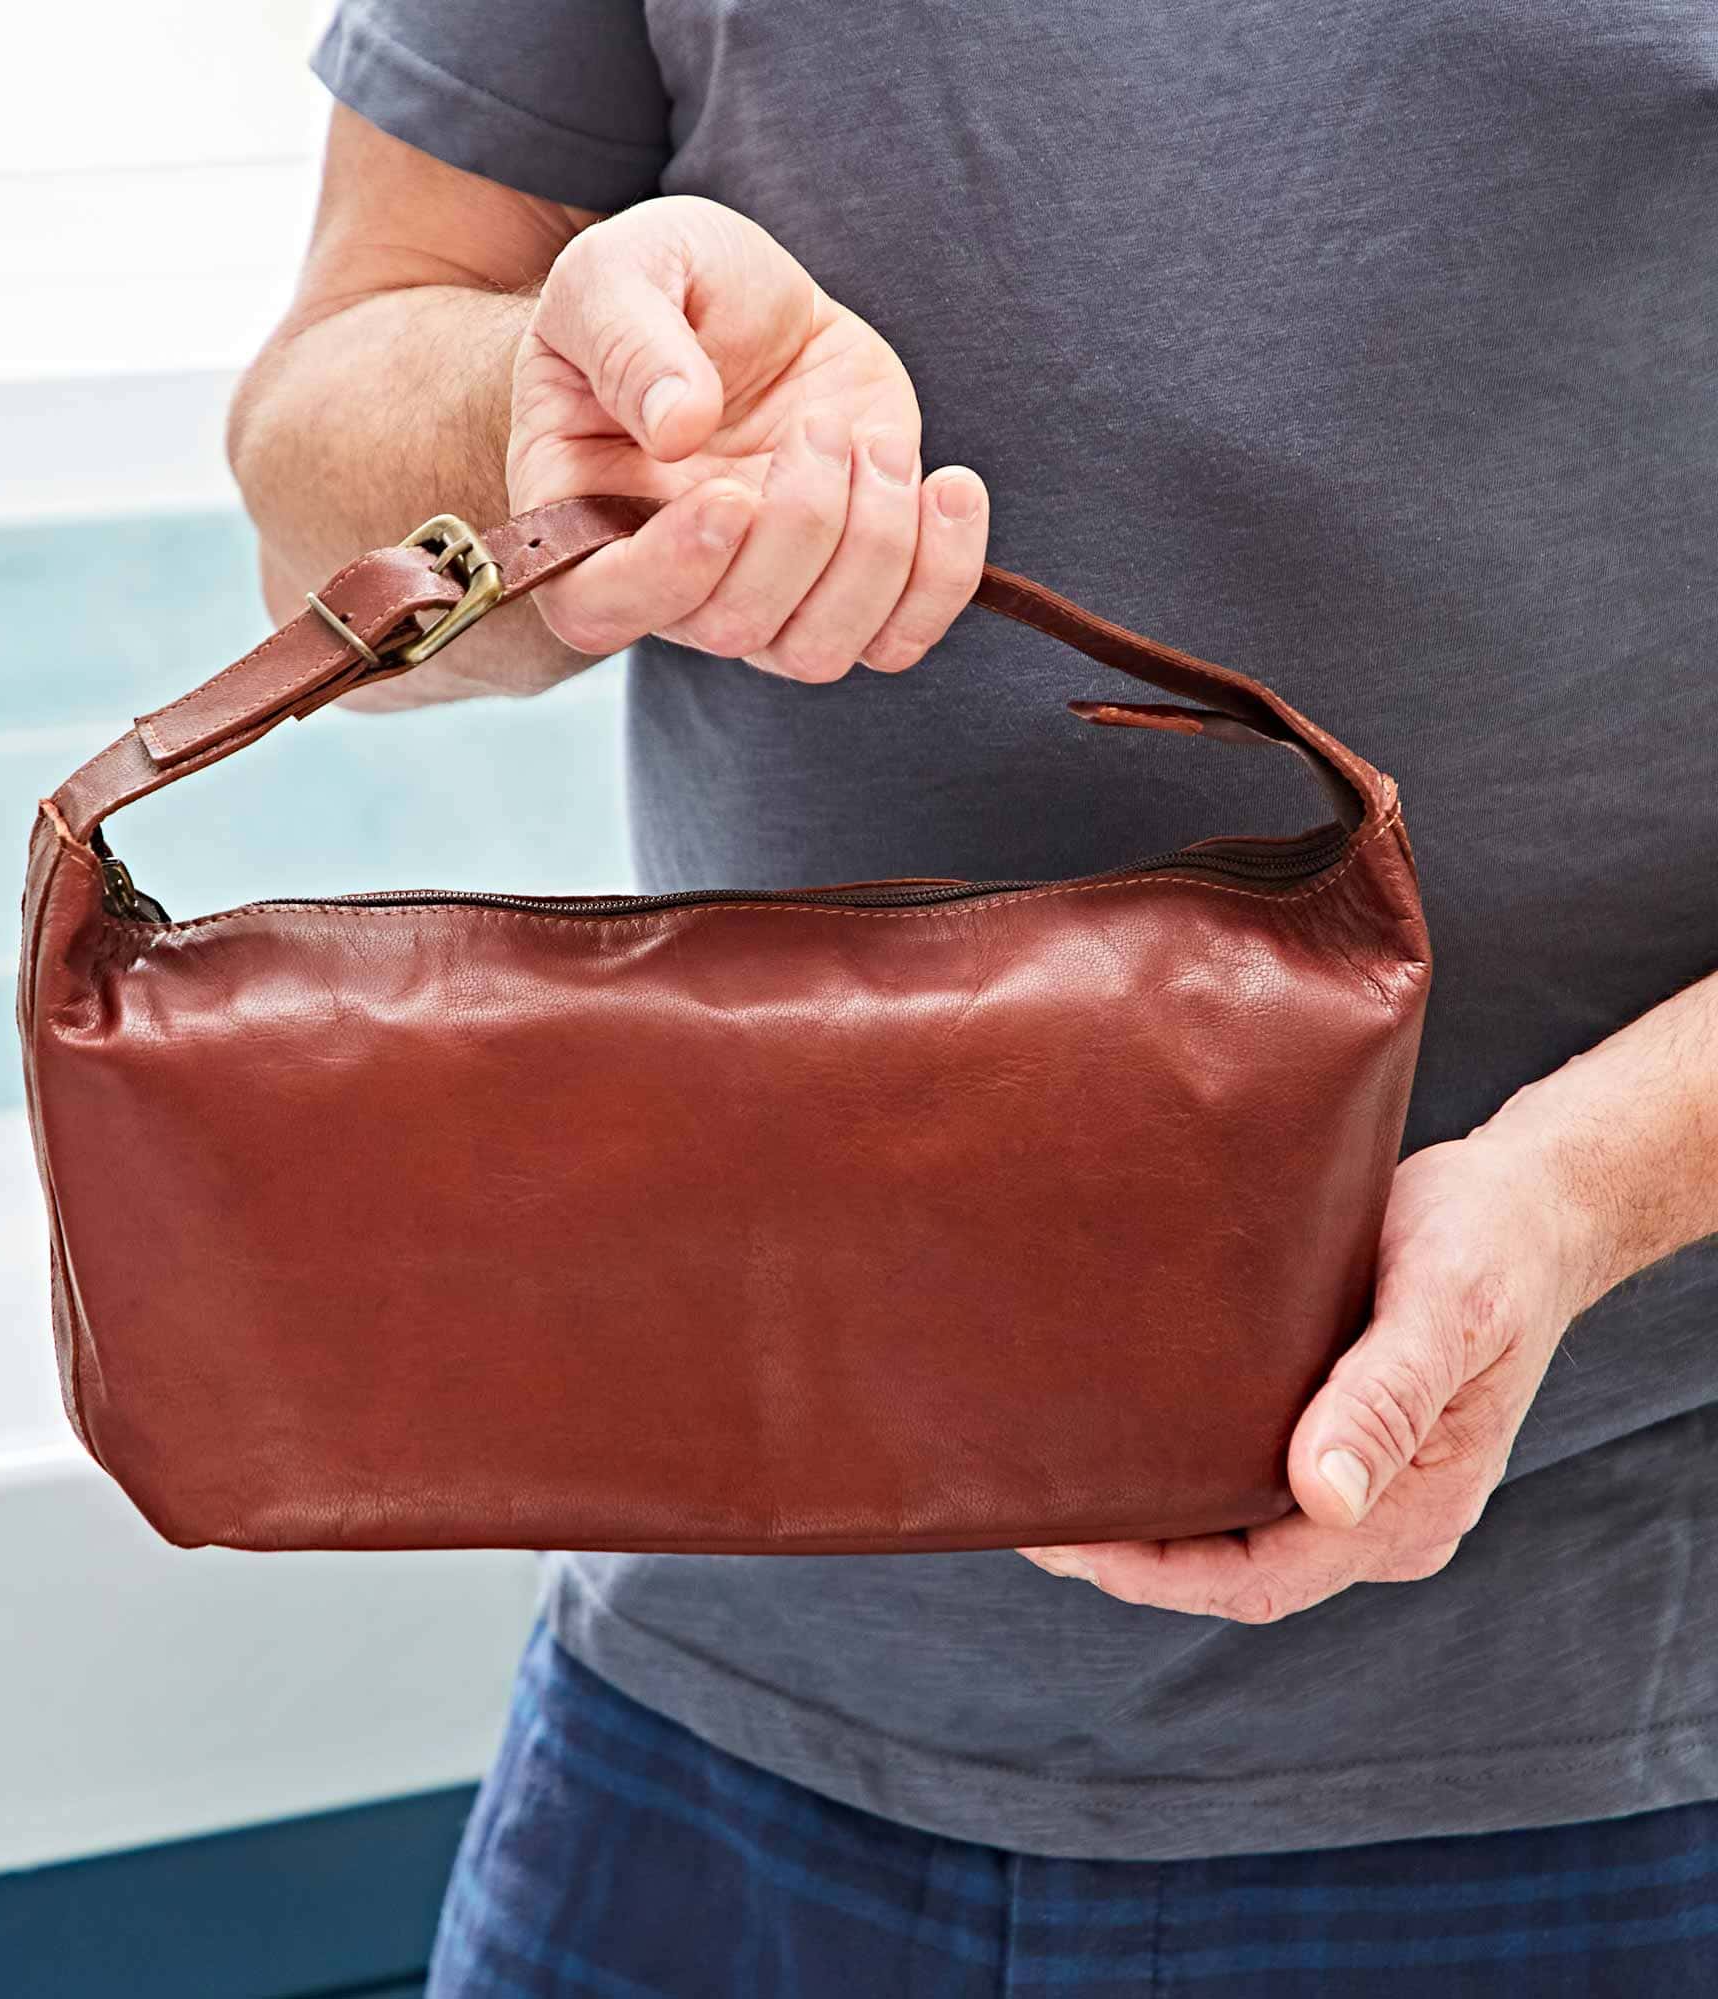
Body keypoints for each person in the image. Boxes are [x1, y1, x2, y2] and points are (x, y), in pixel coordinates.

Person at [227, 4, 1718, 1991]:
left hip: (1586, 1785)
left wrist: (1576, 1189)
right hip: (688, 1740)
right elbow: (317, 488)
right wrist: (541, 426)